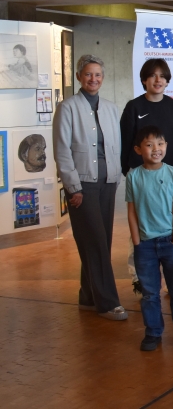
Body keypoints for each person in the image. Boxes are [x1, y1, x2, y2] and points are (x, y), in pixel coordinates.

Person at [52, 54, 127, 320]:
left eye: (97, 75)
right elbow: (62, 151)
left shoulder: (109, 107)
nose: (93, 79)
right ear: (78, 77)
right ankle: (107, 303)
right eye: (88, 74)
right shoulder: (67, 107)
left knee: (100, 242)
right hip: (83, 184)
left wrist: (116, 176)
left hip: (107, 183)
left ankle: (88, 295)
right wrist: (73, 188)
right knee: (94, 240)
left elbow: (115, 146)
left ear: (103, 78)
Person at [126, 125, 173, 352]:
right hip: (144, 245)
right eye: (149, 144)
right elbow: (132, 211)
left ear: (166, 146)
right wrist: (137, 242)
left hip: (169, 242)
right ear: (138, 149)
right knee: (149, 294)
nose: (156, 149)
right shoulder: (133, 176)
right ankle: (153, 332)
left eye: (160, 144)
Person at [120, 58, 173, 297]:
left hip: (172, 175)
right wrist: (130, 173)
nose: (158, 80)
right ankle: (140, 279)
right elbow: (126, 143)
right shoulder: (133, 108)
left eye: (162, 76)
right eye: (152, 76)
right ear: (144, 80)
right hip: (141, 177)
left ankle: (171, 277)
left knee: (172, 222)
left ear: (167, 80)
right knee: (139, 226)